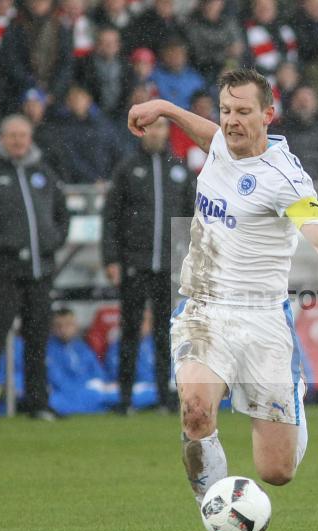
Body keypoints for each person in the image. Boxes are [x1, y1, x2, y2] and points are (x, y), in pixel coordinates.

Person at [126, 67, 318, 531]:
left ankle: (290, 401)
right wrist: (164, 107)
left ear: (268, 115)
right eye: (226, 110)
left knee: (275, 472)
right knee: (194, 410)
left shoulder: (285, 177)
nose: (230, 122)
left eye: (242, 113)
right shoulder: (219, 145)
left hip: (263, 319)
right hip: (204, 307)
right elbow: (209, 135)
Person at [0, 115, 70, 422]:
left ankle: (37, 403)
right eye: (12, 136)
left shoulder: (44, 174)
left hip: (41, 272)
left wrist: (55, 240)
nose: (18, 141)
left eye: (23, 135)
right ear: (2, 138)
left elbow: (62, 214)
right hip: (4, 273)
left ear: (30, 137)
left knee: (37, 339)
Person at [102, 117, 195, 414]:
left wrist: (190, 259)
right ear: (142, 132)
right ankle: (125, 397)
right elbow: (111, 217)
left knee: (165, 333)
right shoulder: (127, 168)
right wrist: (112, 258)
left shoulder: (179, 169)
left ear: (167, 131)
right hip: (134, 263)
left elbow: (192, 219)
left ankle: (165, 397)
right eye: (151, 128)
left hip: (170, 266)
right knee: (129, 331)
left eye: (161, 128)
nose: (156, 133)